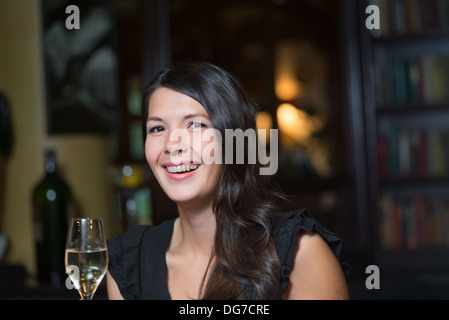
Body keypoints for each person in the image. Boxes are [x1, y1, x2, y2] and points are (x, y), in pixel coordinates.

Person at [106, 61, 350, 300]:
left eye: (195, 124)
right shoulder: (128, 262)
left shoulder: (299, 253)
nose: (171, 144)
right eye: (157, 129)